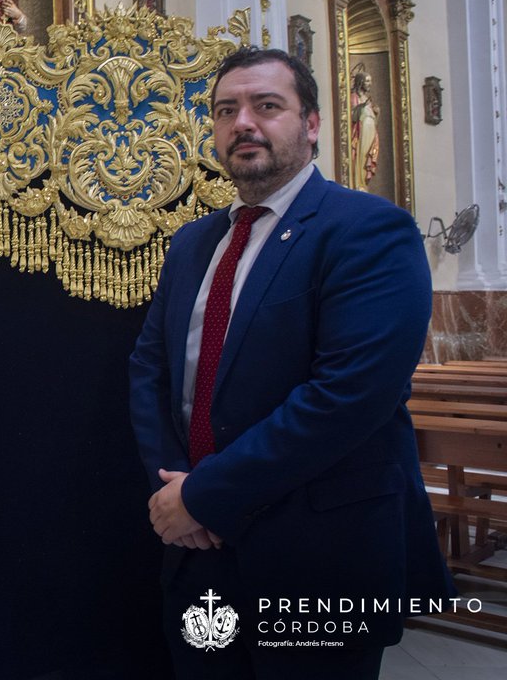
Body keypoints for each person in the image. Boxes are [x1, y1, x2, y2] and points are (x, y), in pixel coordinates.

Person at [129, 47, 454, 680]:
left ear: (311, 124)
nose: (243, 123)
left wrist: (203, 494)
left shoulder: (369, 230)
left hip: (319, 551)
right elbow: (151, 369)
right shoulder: (194, 242)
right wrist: (173, 489)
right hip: (201, 549)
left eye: (266, 106)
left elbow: (348, 398)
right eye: (227, 110)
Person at [350, 66, 380, 190]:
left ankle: (363, 184)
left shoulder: (368, 100)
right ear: (361, 81)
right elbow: (352, 117)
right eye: (367, 81)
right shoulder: (354, 97)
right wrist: (362, 107)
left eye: (370, 81)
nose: (370, 84)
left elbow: (374, 121)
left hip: (370, 133)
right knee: (360, 156)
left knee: (367, 155)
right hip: (360, 133)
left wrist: (377, 113)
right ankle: (358, 182)